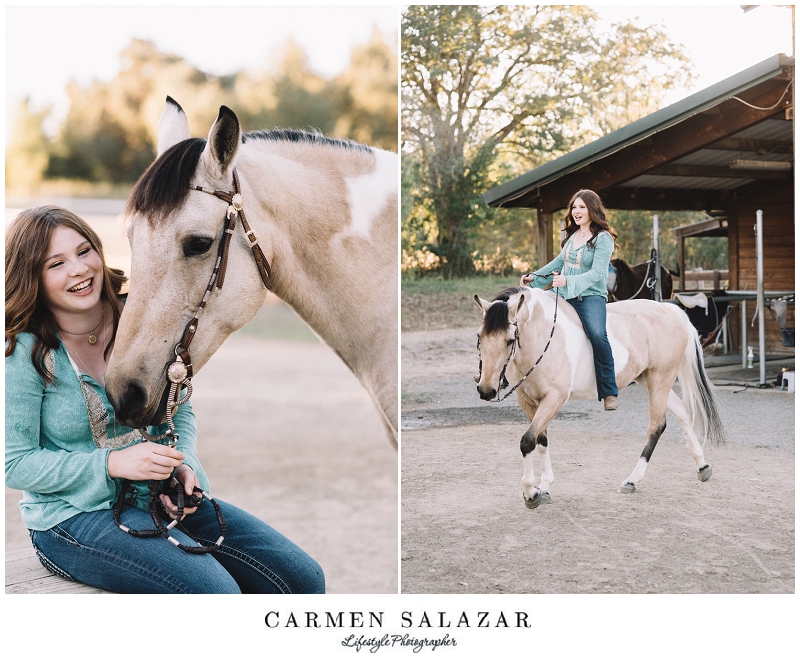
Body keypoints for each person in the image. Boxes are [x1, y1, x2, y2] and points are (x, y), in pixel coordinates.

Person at [5, 206, 325, 594]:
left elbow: (180, 406)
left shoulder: (138, 317)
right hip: (72, 518)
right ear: (32, 278)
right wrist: (112, 463)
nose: (79, 268)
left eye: (84, 250)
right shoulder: (22, 349)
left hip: (161, 500)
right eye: (56, 263)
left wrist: (183, 463)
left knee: (303, 579)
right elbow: (14, 463)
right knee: (216, 595)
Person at [520, 189, 619, 411]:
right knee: (531, 318)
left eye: (582, 207)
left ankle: (609, 391)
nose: (577, 211)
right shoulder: (572, 236)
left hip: (590, 296)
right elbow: (557, 263)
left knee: (597, 334)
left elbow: (596, 274)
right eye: (574, 207)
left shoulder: (603, 239)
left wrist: (567, 282)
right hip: (564, 293)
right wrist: (534, 277)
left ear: (592, 209)